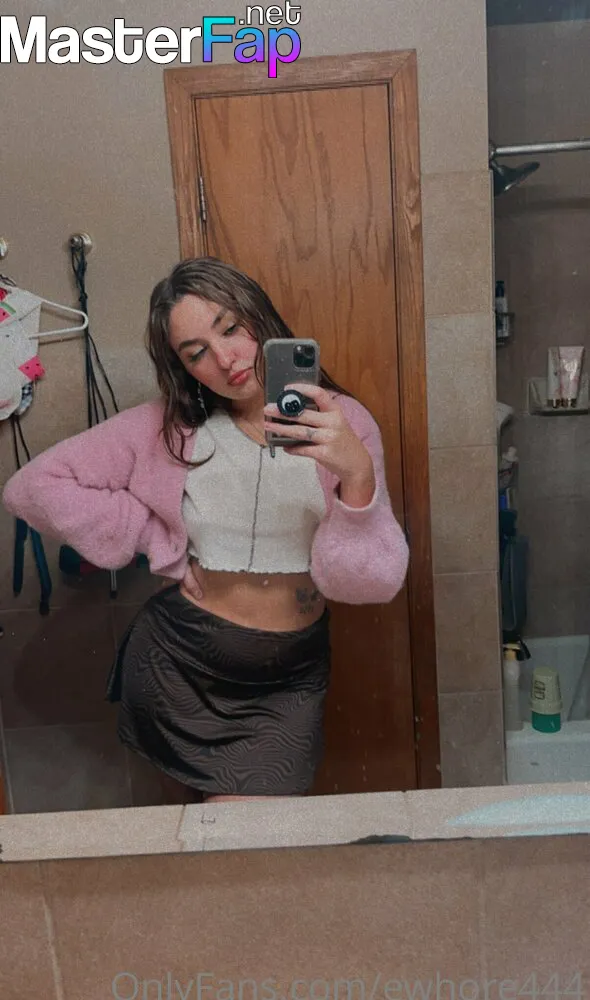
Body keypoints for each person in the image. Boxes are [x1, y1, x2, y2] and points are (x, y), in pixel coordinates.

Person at [2, 257, 409, 804]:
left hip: (290, 677)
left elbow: (369, 583)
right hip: (179, 663)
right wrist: (158, 543)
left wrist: (357, 476)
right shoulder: (168, 428)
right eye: (196, 353)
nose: (225, 359)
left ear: (259, 317)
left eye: (231, 328)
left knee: (247, 840)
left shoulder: (345, 424)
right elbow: (32, 486)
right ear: (184, 368)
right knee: (208, 841)